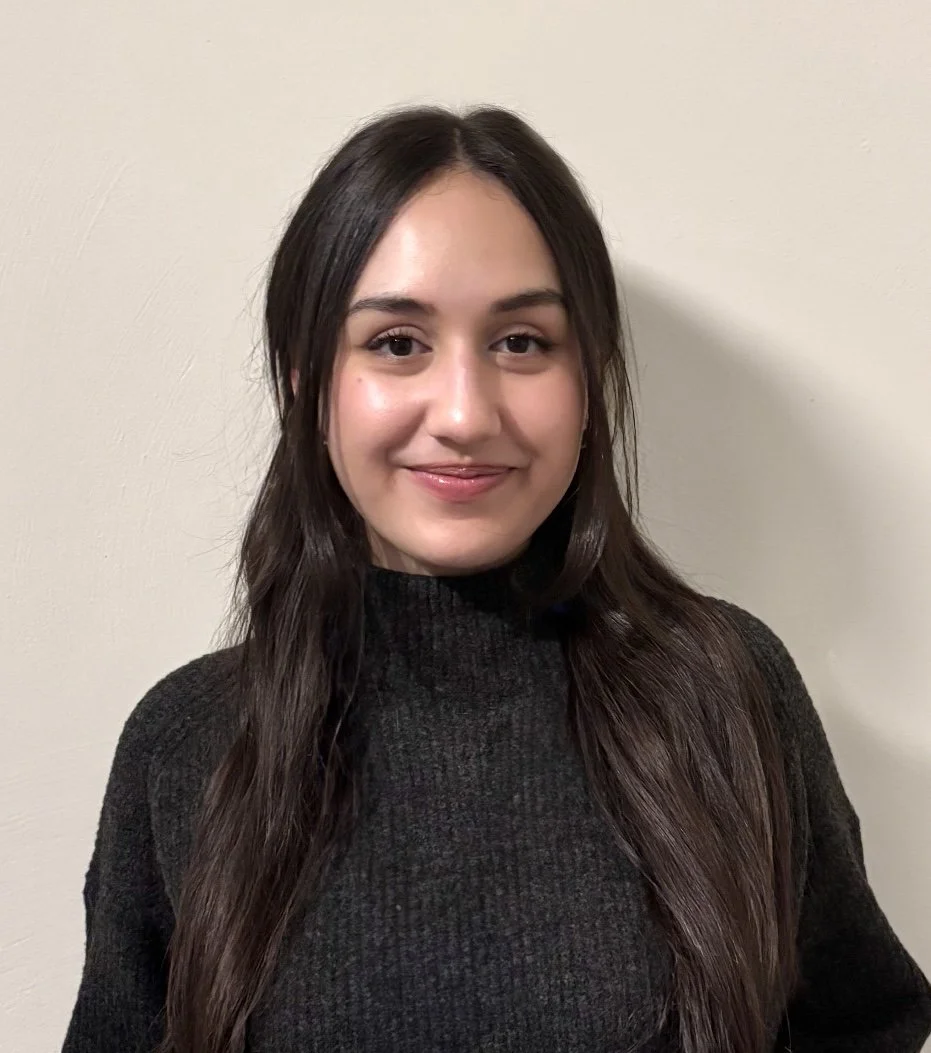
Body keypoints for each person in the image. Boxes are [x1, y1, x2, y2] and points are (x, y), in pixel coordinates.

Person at [62, 104, 931, 1053]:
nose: (465, 414)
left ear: (589, 381)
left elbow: (867, 1022)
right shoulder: (188, 743)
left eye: (521, 342)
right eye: (397, 342)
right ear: (308, 384)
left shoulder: (722, 690)